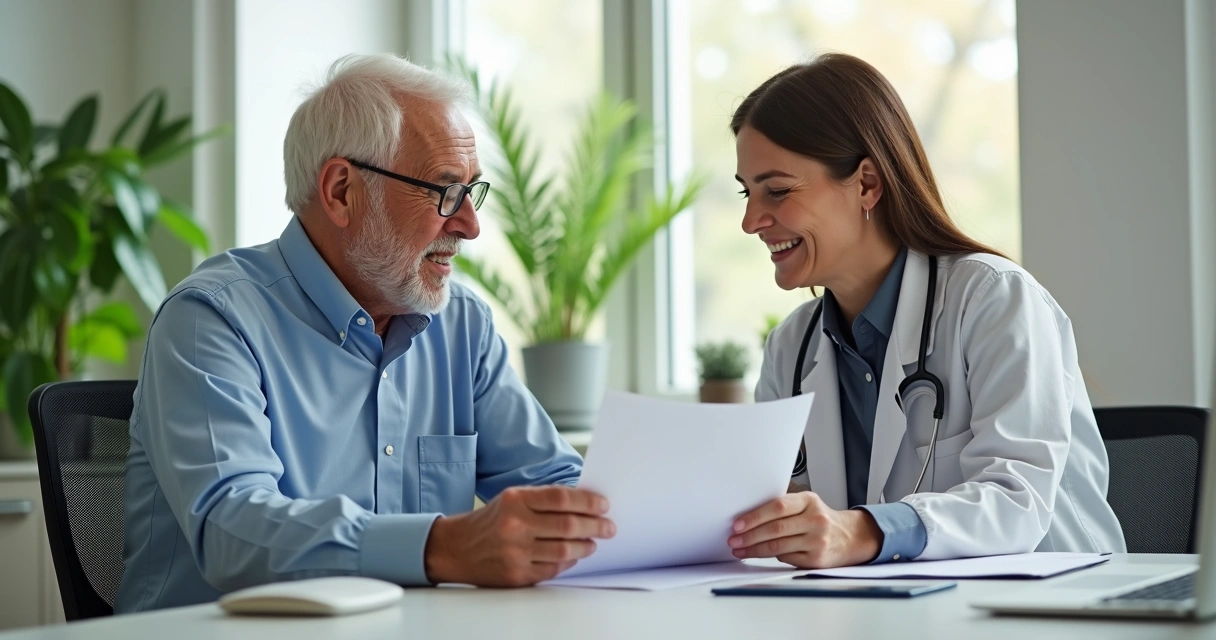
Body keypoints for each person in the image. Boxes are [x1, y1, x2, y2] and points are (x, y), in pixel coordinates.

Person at [114, 54, 615, 613]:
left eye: (472, 192)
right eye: (445, 191)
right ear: (341, 191)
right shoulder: (211, 318)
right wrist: (443, 547)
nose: (470, 226)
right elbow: (233, 529)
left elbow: (556, 484)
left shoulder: (462, 324)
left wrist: (668, 520)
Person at [727, 53, 1126, 569]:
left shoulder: (993, 299)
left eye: (777, 191)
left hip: (1050, 599)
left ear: (867, 184)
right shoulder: (791, 347)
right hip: (884, 604)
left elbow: (1017, 501)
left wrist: (862, 531)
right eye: (747, 193)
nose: (750, 221)